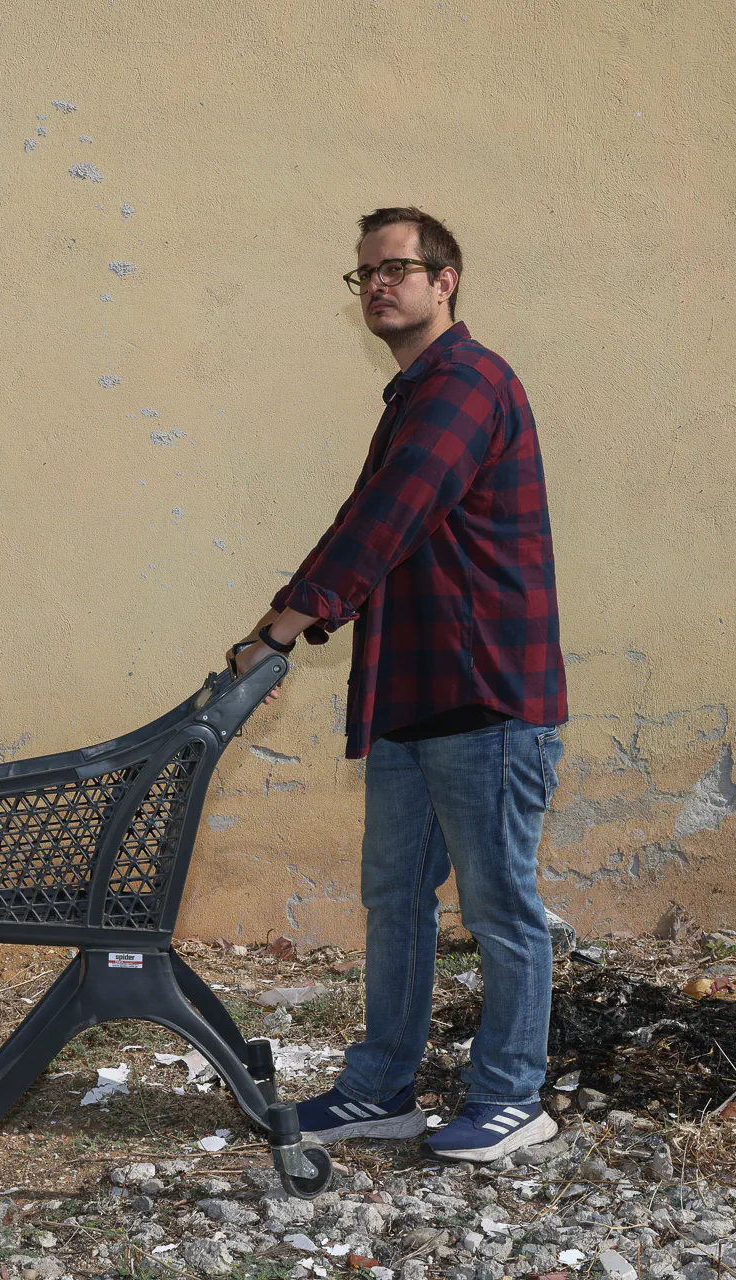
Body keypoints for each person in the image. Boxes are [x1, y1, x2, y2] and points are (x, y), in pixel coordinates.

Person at [228, 207, 568, 1163]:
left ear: (444, 281)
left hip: (488, 696)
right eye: (365, 274)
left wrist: (288, 622)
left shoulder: (467, 382)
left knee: (500, 909)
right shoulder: (418, 392)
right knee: (396, 901)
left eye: (397, 269)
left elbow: (394, 511)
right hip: (414, 696)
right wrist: (288, 614)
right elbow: (364, 519)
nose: (378, 285)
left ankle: (514, 1097)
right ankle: (381, 1090)